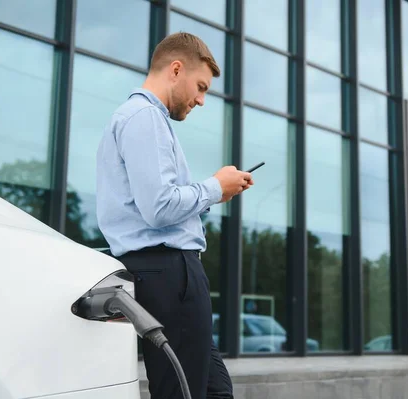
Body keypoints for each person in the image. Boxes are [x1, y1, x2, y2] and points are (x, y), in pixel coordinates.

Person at [96, 32, 252, 399]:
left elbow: (156, 202)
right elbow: (159, 207)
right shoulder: (145, 117)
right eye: (200, 87)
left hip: (169, 271)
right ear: (176, 69)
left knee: (214, 391)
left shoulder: (142, 118)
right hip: (168, 271)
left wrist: (216, 193)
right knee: (183, 392)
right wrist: (215, 186)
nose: (201, 100)